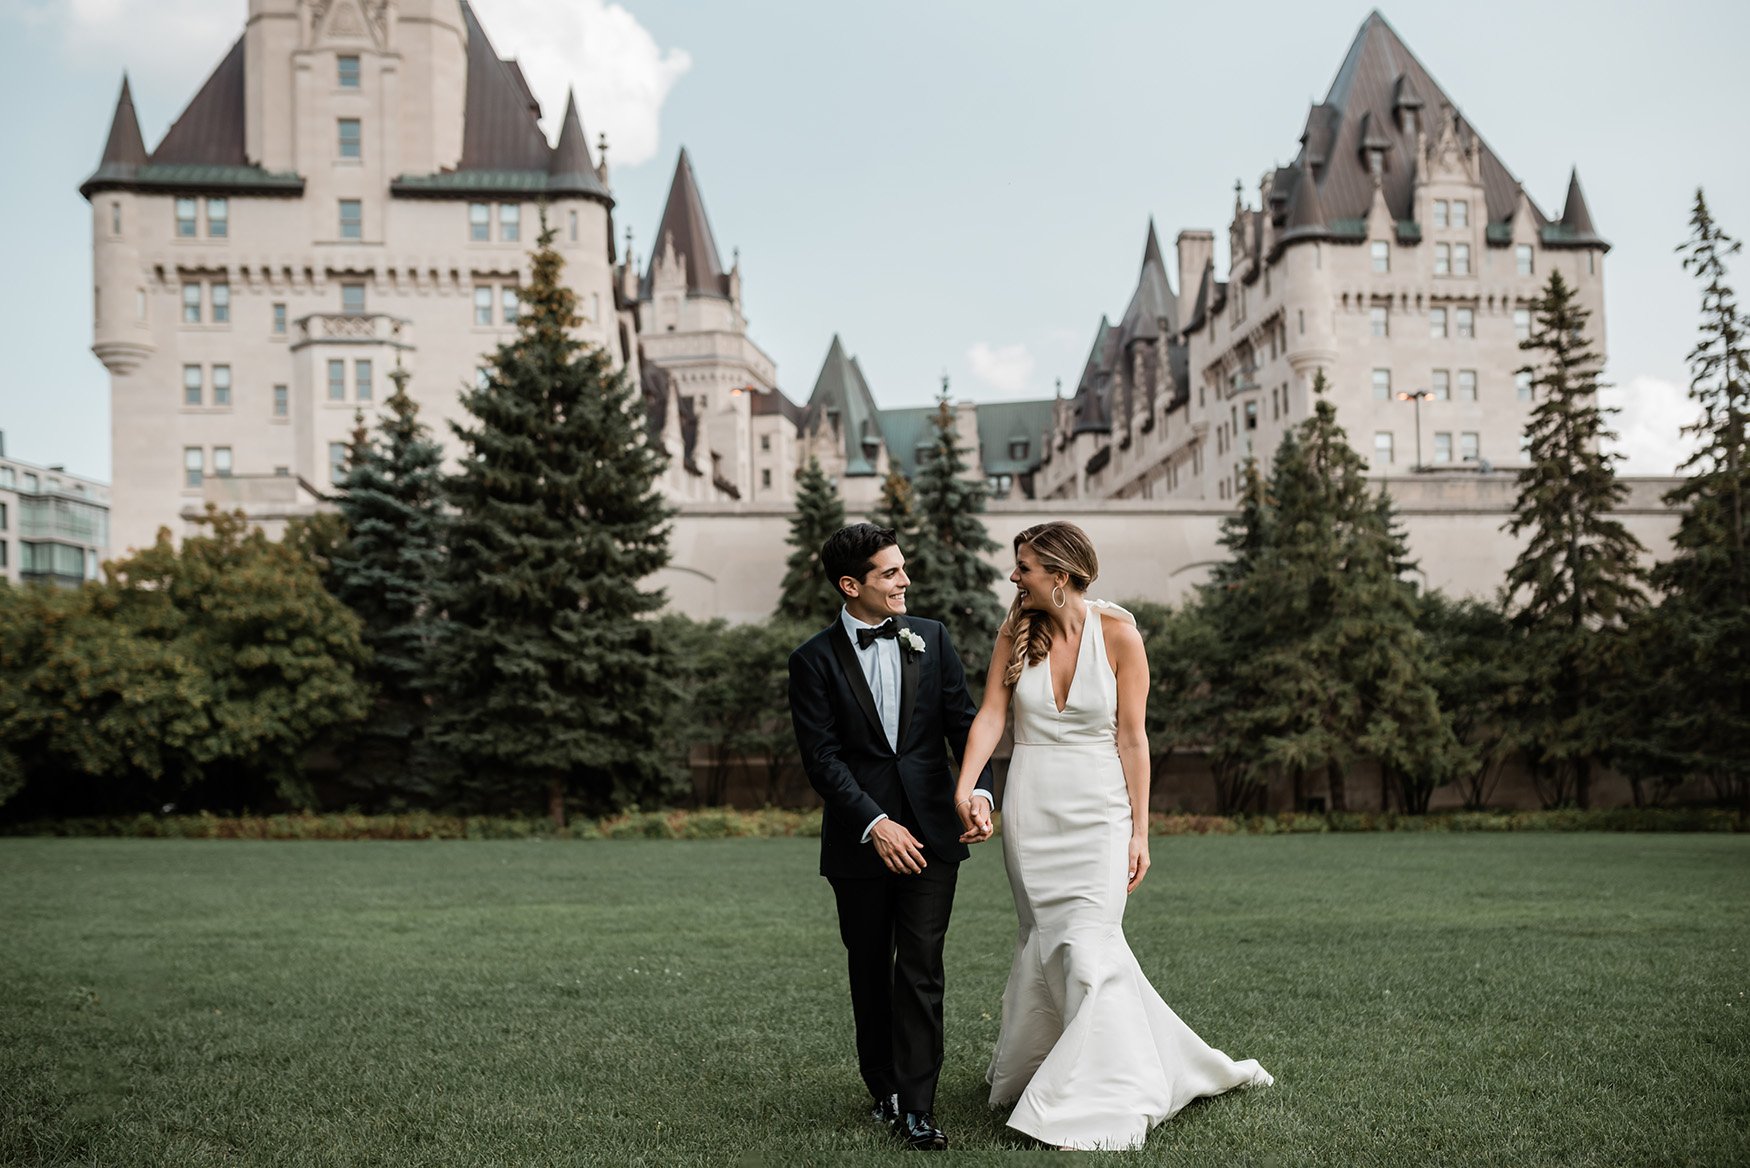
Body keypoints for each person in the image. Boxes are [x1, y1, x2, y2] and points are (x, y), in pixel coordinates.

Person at [953, 521, 1272, 1151]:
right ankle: (1055, 1066)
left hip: (1101, 809)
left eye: (1024, 567)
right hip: (1034, 805)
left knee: (1092, 942)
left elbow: (1132, 738)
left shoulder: (1120, 634)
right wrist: (966, 787)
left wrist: (1141, 831)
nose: (1014, 577)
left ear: (1061, 575)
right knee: (1047, 942)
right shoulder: (1015, 631)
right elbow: (990, 714)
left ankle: (1103, 1091)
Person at [788, 523, 994, 1152]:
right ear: (852, 586)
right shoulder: (812, 660)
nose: (905, 581)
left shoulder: (931, 637)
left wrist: (980, 792)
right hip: (859, 841)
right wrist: (875, 824)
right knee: (869, 966)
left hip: (934, 832)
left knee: (923, 968)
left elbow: (965, 724)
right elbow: (822, 759)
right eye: (890, 573)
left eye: (903, 569)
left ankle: (919, 1108)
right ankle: (883, 1086)